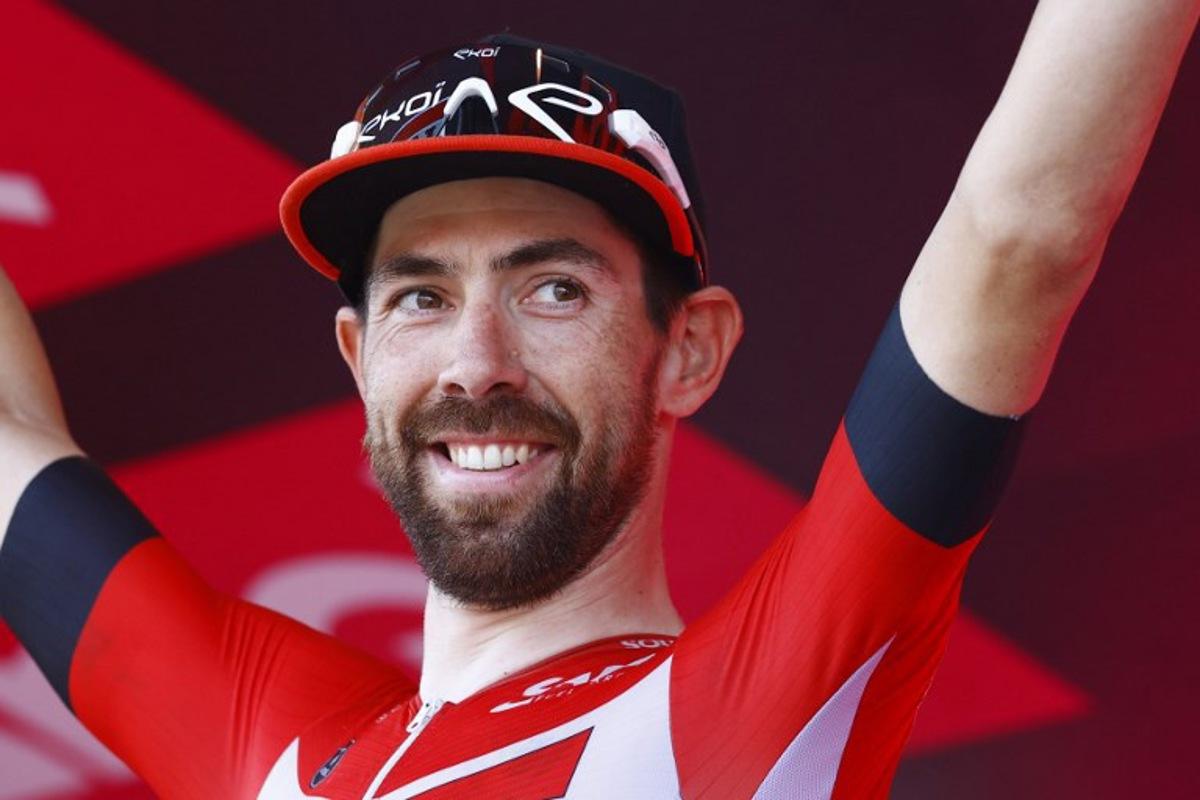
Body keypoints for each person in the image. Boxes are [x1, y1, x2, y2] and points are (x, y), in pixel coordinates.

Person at [1, 5, 1196, 798]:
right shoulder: (275, 751)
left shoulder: (738, 718)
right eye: (422, 296)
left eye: (553, 287)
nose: (477, 361)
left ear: (689, 350)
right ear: (360, 359)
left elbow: (1018, 236)